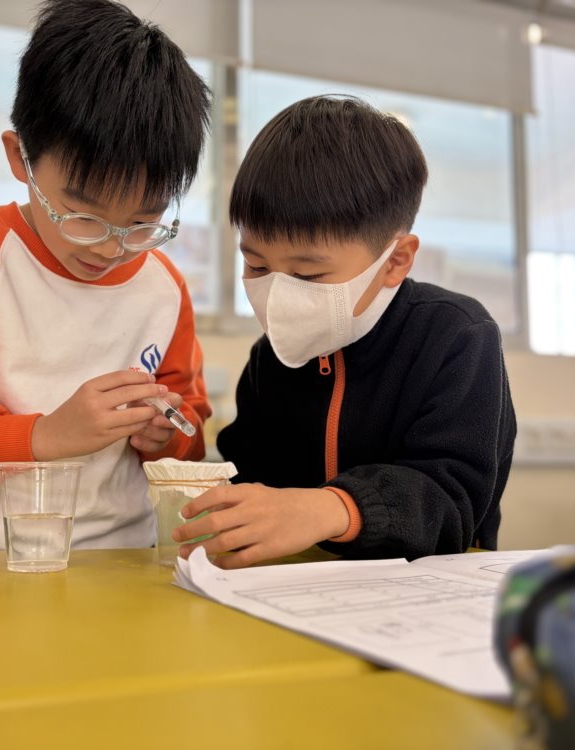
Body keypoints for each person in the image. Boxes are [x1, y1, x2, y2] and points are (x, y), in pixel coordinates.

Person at [0, 0, 212, 551]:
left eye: (143, 223)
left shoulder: (163, 286)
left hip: (125, 557)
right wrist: (44, 436)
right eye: (83, 215)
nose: (111, 248)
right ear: (19, 158)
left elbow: (189, 432)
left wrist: (165, 436)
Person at [173, 95, 516, 568]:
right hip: (291, 590)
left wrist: (332, 509)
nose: (278, 295)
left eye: (308, 275)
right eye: (257, 266)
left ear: (395, 261)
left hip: (430, 592)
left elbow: (451, 501)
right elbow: (250, 477)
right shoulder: (269, 359)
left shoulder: (456, 337)